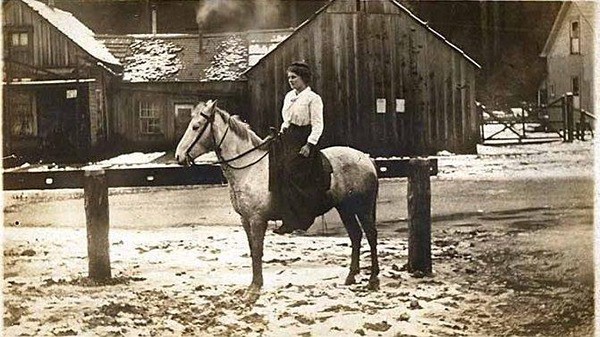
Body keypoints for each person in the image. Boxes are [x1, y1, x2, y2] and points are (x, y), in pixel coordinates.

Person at [271, 61, 330, 234]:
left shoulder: (313, 98)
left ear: (303, 78)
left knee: (292, 173)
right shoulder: (289, 96)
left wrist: (309, 145)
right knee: (275, 168)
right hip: (288, 136)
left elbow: (318, 124)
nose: (290, 80)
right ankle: (282, 216)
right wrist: (282, 132)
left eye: (293, 77)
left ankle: (298, 221)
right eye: (289, 77)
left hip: (303, 138)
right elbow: (286, 119)